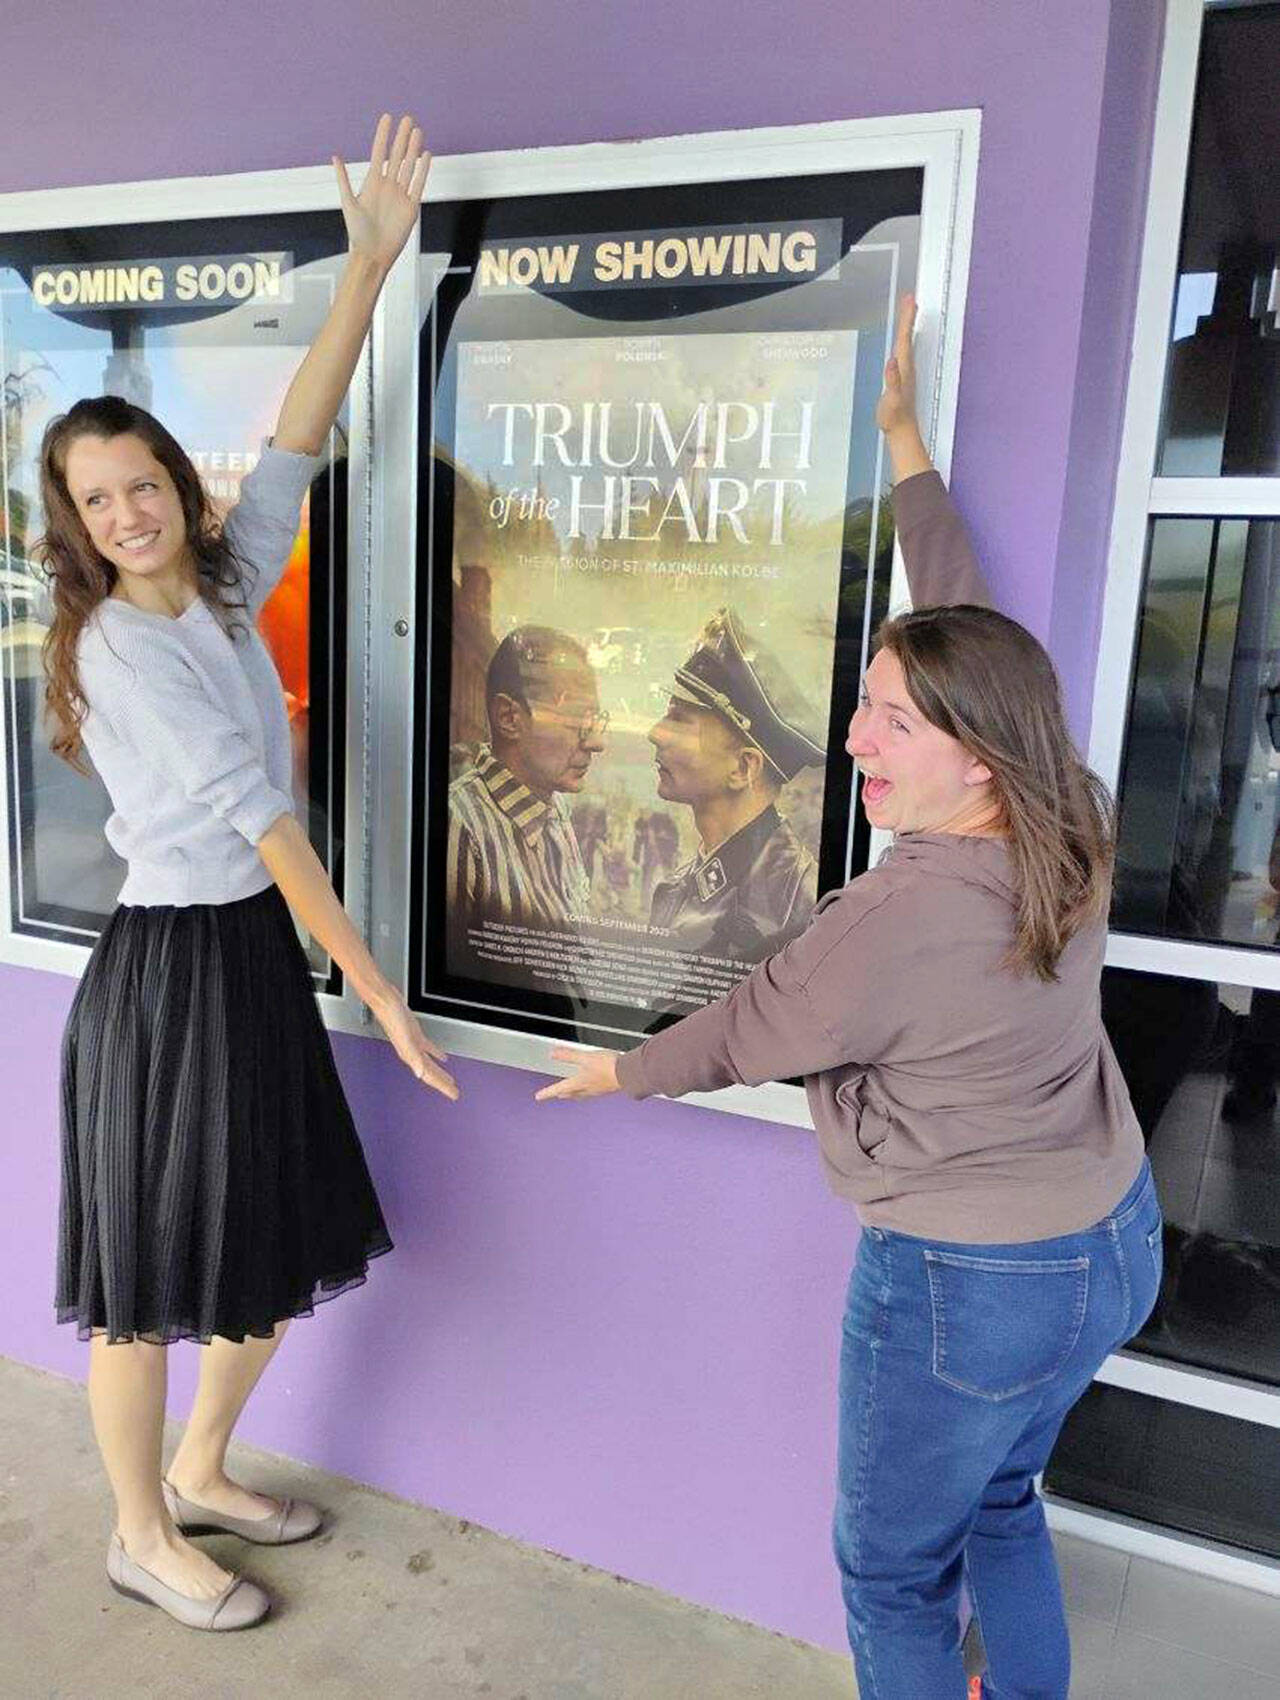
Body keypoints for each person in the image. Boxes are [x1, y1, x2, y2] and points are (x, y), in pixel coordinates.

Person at [535, 295, 1157, 1700]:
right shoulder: (1072, 814)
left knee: (892, 1577)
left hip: (970, 1284)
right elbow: (975, 634)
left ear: (977, 759)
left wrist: (612, 1072)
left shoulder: (889, 914)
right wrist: (908, 456)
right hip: (1110, 1244)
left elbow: (749, 1029)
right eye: (866, 700)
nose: (856, 736)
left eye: (890, 723)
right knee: (1004, 1505)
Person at [42, 115, 456, 1634]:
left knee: (264, 1251)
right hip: (171, 975)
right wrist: (377, 987)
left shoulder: (214, 586)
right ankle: (139, 1532)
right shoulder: (118, 644)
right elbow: (262, 825)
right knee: (152, 1273)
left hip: (243, 958)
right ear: (77, 528)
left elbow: (293, 440)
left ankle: (206, 1470)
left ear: (167, 483)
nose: (128, 509)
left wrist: (365, 271)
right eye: (97, 499)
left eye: (140, 480)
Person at [646, 608, 823, 961]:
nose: (654, 734)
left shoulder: (800, 899)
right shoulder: (675, 888)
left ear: (743, 768)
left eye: (679, 720)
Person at [446, 624, 607, 978]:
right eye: (575, 720)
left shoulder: (556, 808)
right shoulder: (459, 826)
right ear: (509, 718)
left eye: (594, 720)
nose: (596, 742)